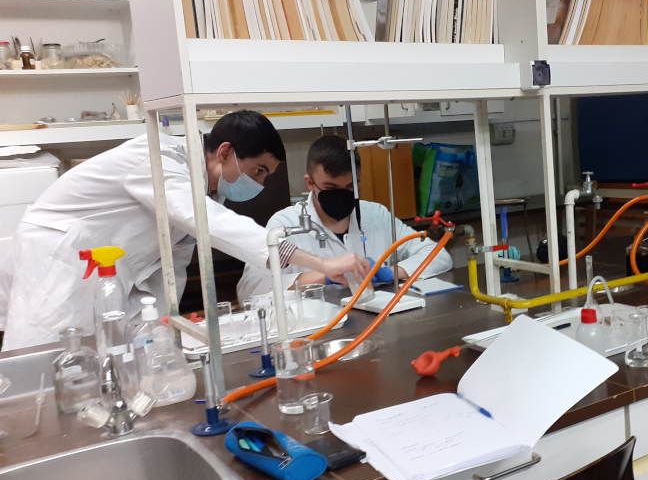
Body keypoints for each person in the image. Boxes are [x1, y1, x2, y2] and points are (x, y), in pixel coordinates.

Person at [0, 111, 369, 353]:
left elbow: (170, 269)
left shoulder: (205, 190)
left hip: (107, 270)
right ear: (225, 152)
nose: (259, 184)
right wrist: (323, 263)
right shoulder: (160, 159)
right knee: (46, 357)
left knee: (98, 358)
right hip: (62, 258)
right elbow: (215, 226)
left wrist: (165, 329)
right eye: (258, 171)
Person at [237, 135, 453, 301]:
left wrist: (389, 272)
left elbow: (439, 255)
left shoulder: (375, 214)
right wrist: (324, 275)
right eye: (331, 188)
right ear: (310, 183)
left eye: (350, 186)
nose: (341, 195)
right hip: (320, 325)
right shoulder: (284, 224)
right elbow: (249, 288)